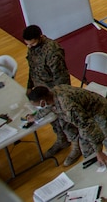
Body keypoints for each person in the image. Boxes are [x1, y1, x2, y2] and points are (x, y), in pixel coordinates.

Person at [27, 84, 107, 168]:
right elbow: (49, 107)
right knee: (86, 151)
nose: (38, 108)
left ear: (42, 102)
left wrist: (99, 151)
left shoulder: (68, 107)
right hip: (87, 115)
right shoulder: (53, 93)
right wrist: (35, 117)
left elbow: (88, 126)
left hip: (101, 113)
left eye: (36, 106)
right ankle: (101, 171)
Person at [23, 25, 76, 161]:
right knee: (54, 121)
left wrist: (57, 99)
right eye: (27, 44)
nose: (29, 46)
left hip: (54, 91)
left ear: (40, 37)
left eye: (32, 43)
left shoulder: (53, 51)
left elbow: (61, 77)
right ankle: (62, 140)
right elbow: (32, 68)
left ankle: (77, 146)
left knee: (65, 120)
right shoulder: (32, 48)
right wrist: (30, 86)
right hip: (41, 91)